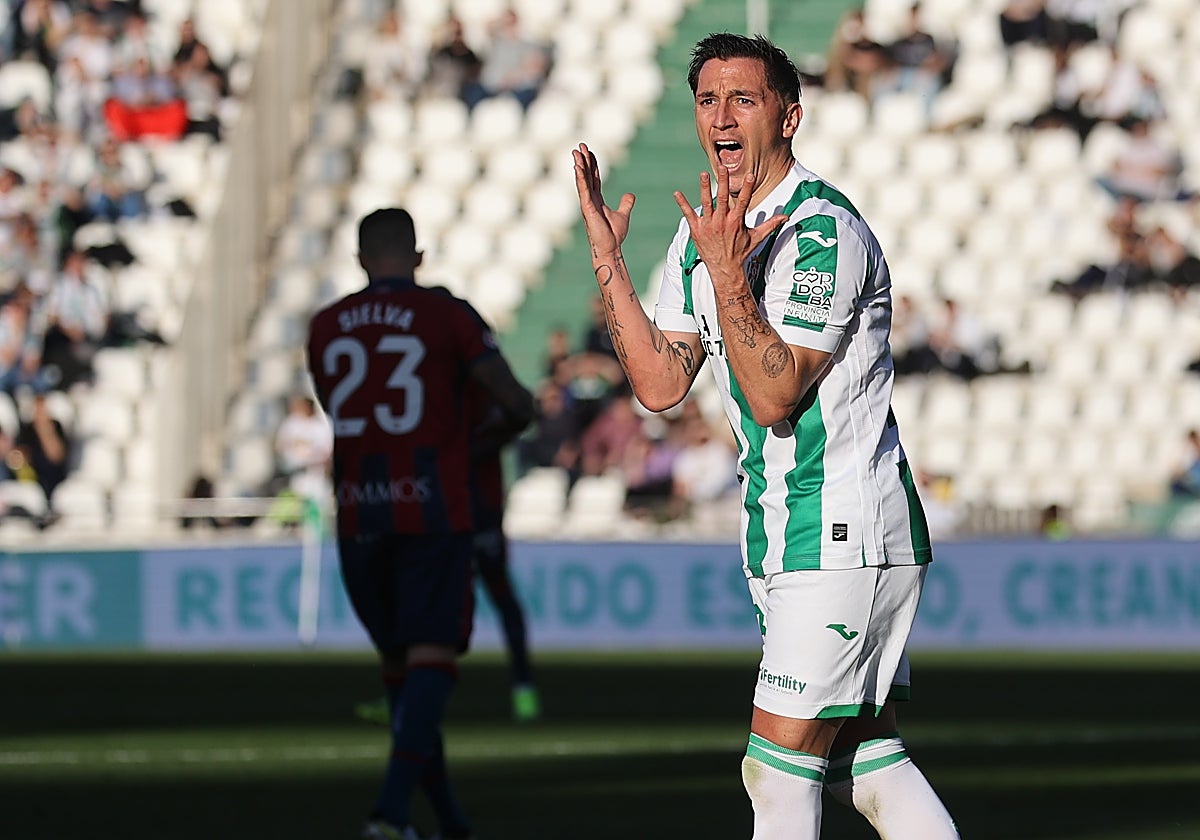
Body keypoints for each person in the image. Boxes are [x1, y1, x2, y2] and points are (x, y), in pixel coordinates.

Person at [572, 33, 958, 839]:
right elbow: (659, 383)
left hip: (845, 525)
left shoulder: (824, 232)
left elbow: (776, 392)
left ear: (790, 116)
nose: (722, 116)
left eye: (744, 99)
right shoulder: (703, 231)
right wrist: (609, 260)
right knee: (863, 757)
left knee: (774, 773)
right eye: (708, 100)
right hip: (783, 529)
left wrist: (725, 274)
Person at [306, 207, 534, 840]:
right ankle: (390, 812)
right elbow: (516, 402)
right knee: (430, 660)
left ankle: (447, 823)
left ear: (358, 261)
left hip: (358, 512)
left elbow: (338, 406)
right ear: (418, 257)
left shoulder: (325, 328)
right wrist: (479, 442)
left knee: (403, 674)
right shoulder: (445, 314)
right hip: (431, 504)